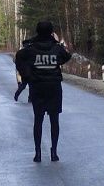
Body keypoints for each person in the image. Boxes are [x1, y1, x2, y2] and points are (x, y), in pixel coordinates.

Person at [16, 21, 71, 162]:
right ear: (51, 31)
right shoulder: (56, 48)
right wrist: (58, 43)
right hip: (54, 87)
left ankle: (38, 153)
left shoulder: (31, 48)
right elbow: (67, 56)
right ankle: (54, 152)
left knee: (38, 121)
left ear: (38, 31)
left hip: (38, 87)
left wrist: (27, 76)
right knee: (54, 121)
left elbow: (19, 57)